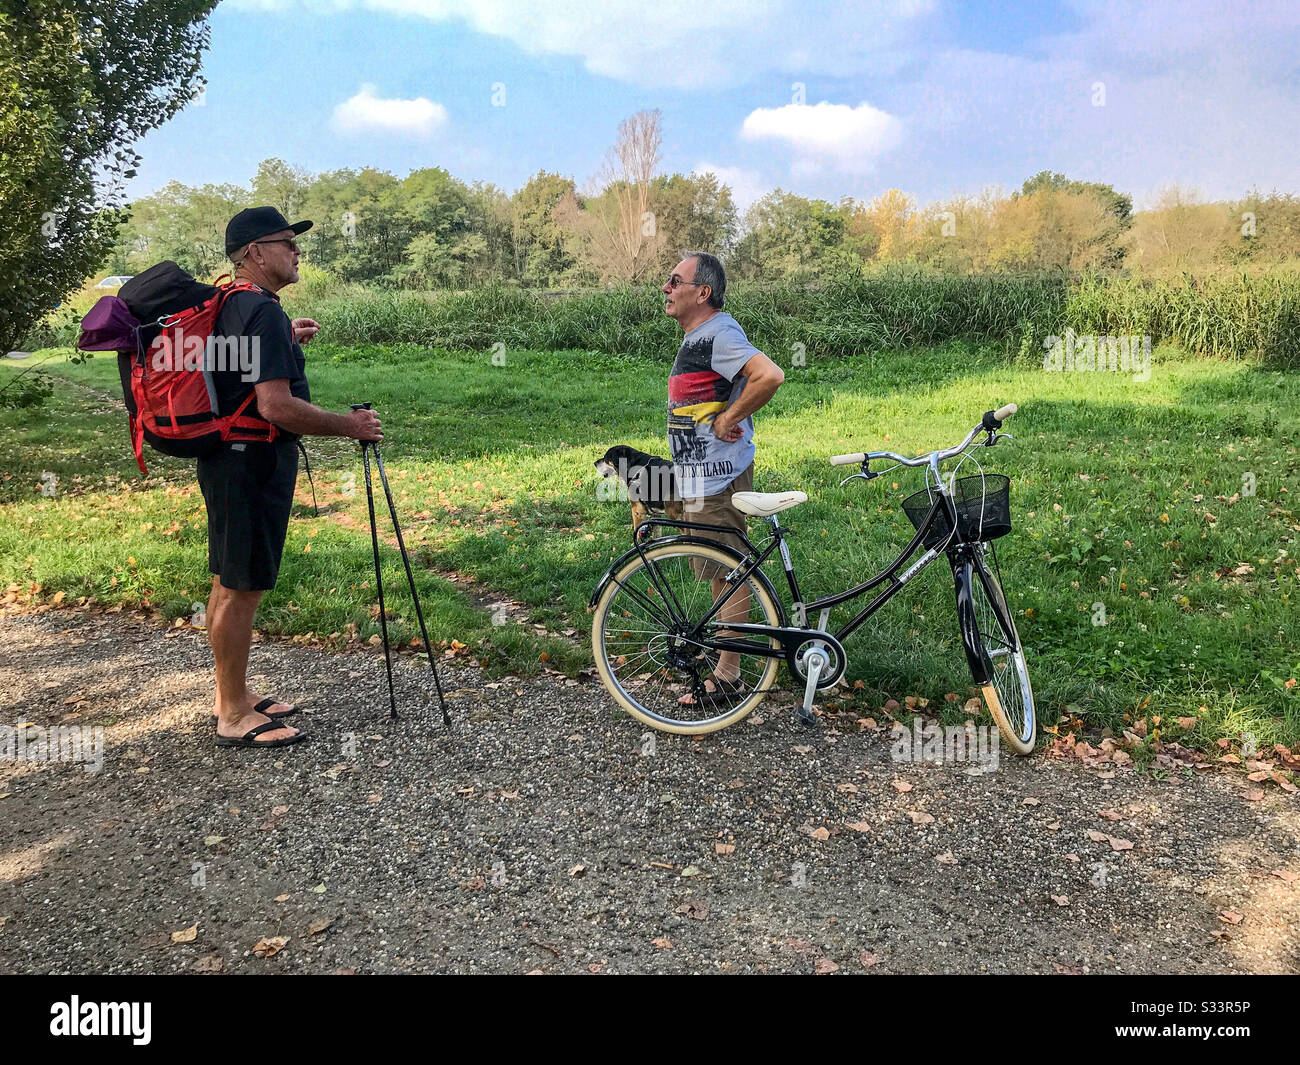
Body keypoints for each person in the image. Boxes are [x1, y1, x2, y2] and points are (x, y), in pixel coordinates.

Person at [204, 206, 382, 749]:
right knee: (242, 587)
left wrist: (287, 341)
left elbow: (238, 376)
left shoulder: (231, 304)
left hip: (226, 458)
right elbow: (276, 407)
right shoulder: (260, 312)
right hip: (251, 463)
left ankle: (229, 694)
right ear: (255, 253)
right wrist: (350, 426)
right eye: (287, 242)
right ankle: (232, 713)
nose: (297, 251)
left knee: (226, 580)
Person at [662, 251, 784, 705]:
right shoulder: (701, 335)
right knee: (717, 567)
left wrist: (728, 417)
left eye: (675, 281)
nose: (666, 288)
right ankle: (724, 664)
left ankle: (728, 674)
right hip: (699, 474)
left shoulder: (719, 332)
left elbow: (769, 376)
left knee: (728, 571)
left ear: (703, 292)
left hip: (718, 475)